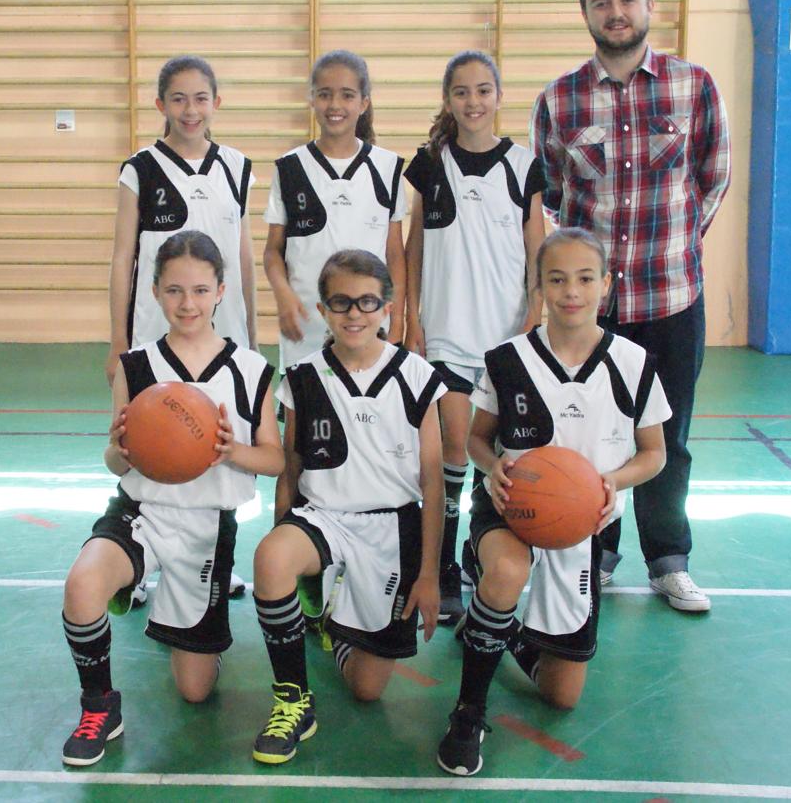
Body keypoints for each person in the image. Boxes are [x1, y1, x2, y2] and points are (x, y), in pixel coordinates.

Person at [531, 0, 730, 612]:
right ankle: (599, 551)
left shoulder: (692, 85)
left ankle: (667, 558)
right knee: (593, 435)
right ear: (585, 12)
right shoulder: (560, 99)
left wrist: (673, 244)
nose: (614, 13)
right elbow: (555, 198)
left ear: (648, 4)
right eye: (600, 3)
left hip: (672, 300)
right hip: (592, 314)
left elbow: (712, 177)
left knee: (666, 440)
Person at [436, 228, 670, 776]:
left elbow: (654, 453)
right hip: (513, 506)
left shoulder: (634, 364)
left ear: (606, 285)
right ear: (538, 286)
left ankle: (499, 629)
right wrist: (493, 469)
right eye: (557, 279)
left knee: (563, 696)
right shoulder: (506, 360)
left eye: (585, 279)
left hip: (584, 521)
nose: (571, 291)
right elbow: (476, 438)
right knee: (507, 573)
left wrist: (614, 480)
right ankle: (468, 711)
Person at [61, 231, 283, 768]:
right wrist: (121, 450)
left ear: (221, 292)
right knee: (82, 583)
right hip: (141, 512)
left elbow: (276, 461)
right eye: (176, 290)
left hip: (208, 527)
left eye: (201, 290)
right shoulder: (136, 367)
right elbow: (113, 463)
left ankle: (183, 627)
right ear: (156, 292)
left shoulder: (251, 370)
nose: (189, 303)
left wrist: (233, 452)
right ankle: (100, 705)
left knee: (194, 691)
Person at [251, 250, 445, 765]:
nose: (354, 313)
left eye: (366, 302)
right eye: (341, 302)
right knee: (272, 559)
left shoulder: (418, 377)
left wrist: (430, 573)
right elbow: (291, 469)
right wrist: (281, 538)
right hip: (324, 519)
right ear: (323, 308)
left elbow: (433, 484)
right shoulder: (303, 376)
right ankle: (293, 700)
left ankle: (330, 623)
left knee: (367, 688)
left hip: (391, 530)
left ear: (387, 307)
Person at [106, 54, 258, 600]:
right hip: (156, 335)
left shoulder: (237, 167)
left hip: (221, 337)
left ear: (217, 103)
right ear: (160, 105)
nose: (190, 110)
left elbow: (242, 260)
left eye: (200, 98)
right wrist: (118, 343)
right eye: (178, 99)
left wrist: (253, 337)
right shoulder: (140, 168)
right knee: (150, 444)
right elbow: (123, 257)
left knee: (217, 450)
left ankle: (217, 562)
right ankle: (138, 562)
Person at [404, 50, 546, 625]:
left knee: (500, 453)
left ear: (499, 96)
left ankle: (471, 549)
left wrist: (534, 315)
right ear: (447, 99)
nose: (473, 101)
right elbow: (413, 247)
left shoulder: (523, 164)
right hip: (445, 332)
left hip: (505, 334)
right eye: (461, 91)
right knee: (456, 446)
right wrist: (411, 317)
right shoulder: (429, 163)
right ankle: (443, 564)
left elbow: (538, 246)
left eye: (483, 90)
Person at [263, 49, 407, 374]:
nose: (335, 105)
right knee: (303, 421)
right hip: (307, 327)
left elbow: (395, 254)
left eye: (347, 95)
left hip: (369, 326)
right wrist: (284, 295)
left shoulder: (387, 168)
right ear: (312, 99)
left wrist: (397, 318)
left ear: (364, 102)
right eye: (324, 95)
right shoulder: (290, 168)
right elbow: (273, 251)